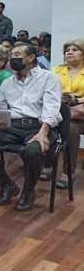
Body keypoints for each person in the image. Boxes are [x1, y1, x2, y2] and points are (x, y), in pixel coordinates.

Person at [0, 44, 62, 211]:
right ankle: (6, 184)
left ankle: (29, 191)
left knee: (32, 151)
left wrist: (43, 133)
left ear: (30, 58)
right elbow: (2, 108)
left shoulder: (49, 78)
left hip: (39, 125)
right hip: (13, 126)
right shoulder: (7, 82)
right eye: (11, 55)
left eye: (17, 54)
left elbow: (52, 107)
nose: (12, 58)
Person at [53, 39, 84, 187]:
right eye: (67, 50)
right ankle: (47, 164)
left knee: (70, 127)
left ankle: (67, 172)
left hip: (81, 114)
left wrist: (76, 98)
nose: (69, 52)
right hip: (60, 110)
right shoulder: (56, 71)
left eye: (75, 49)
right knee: (51, 123)